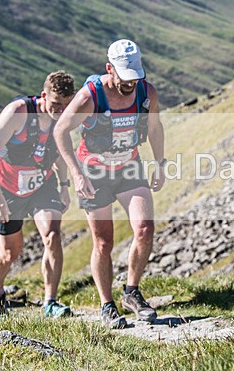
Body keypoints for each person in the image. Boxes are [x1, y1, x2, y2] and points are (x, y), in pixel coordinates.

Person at [54, 39, 165, 329]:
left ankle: (131, 292)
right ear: (109, 69)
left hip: (129, 167)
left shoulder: (146, 92)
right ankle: (107, 304)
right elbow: (60, 131)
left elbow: (154, 126)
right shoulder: (89, 97)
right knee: (104, 243)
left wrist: (160, 163)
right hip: (94, 174)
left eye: (134, 77)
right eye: (124, 77)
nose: (130, 84)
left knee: (144, 228)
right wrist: (76, 174)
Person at [0, 71, 76, 321]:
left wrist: (64, 185)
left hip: (42, 184)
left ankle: (50, 302)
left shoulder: (63, 118)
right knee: (10, 253)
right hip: (8, 188)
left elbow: (59, 152)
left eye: (66, 105)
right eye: (56, 104)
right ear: (44, 96)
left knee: (53, 236)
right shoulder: (19, 112)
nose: (61, 111)